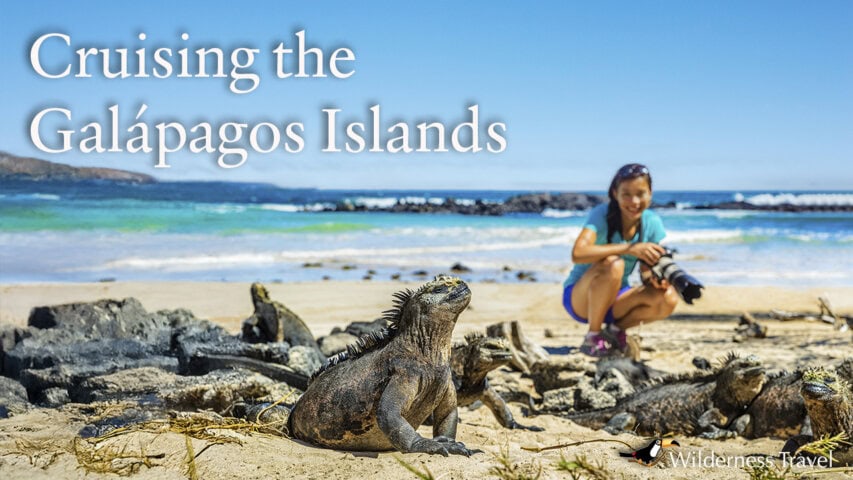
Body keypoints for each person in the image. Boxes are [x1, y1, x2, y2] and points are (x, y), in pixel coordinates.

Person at [563, 164, 678, 357]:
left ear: (650, 193)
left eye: (640, 194)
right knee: (614, 264)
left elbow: (645, 271)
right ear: (615, 193)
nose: (634, 201)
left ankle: (615, 331)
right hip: (581, 298)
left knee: (668, 298)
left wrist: (655, 280)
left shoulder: (651, 223)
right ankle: (592, 336)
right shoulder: (602, 214)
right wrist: (630, 248)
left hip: (617, 300)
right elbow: (578, 253)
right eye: (626, 194)